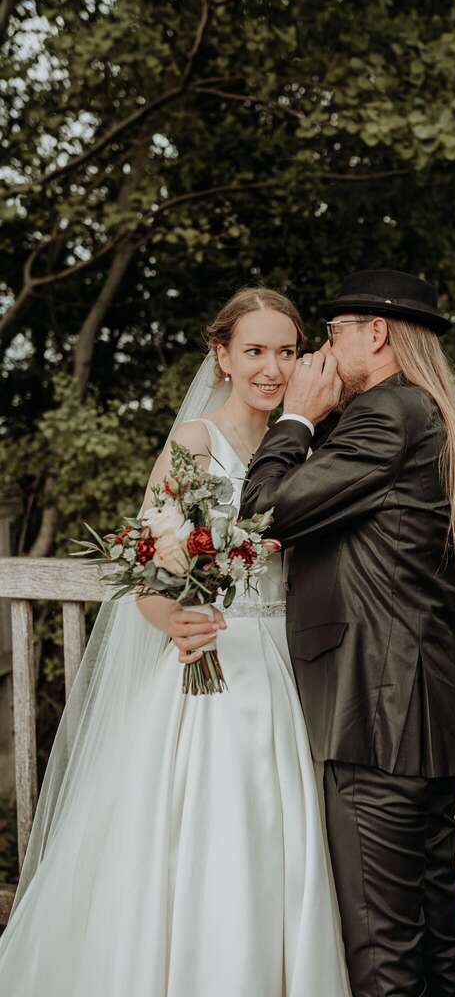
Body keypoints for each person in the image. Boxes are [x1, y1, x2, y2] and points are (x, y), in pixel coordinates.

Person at [0, 288, 351, 997]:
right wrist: (176, 619)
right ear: (220, 356)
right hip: (214, 669)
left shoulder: (312, 437)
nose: (271, 367)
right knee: (213, 838)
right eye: (253, 350)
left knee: (283, 839)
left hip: (290, 664)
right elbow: (152, 572)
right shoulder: (195, 445)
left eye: (286, 351)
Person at [240, 269, 455, 997]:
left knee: (380, 944)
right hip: (418, 709)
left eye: (331, 334)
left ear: (374, 334)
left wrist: (293, 420)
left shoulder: (384, 415)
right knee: (433, 927)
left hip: (375, 715)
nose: (320, 353)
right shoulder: (428, 414)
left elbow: (263, 512)